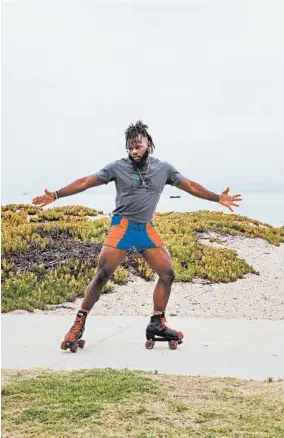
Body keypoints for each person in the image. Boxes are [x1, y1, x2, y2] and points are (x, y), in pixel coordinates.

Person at [32, 120, 242, 351]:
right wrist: (56, 195)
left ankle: (157, 322)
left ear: (148, 144)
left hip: (146, 229)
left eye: (138, 146)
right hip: (122, 227)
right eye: (130, 147)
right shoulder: (117, 167)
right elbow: (85, 182)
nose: (134, 151)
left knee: (168, 273)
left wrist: (216, 198)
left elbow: (190, 186)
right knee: (102, 275)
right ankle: (78, 324)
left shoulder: (164, 169)